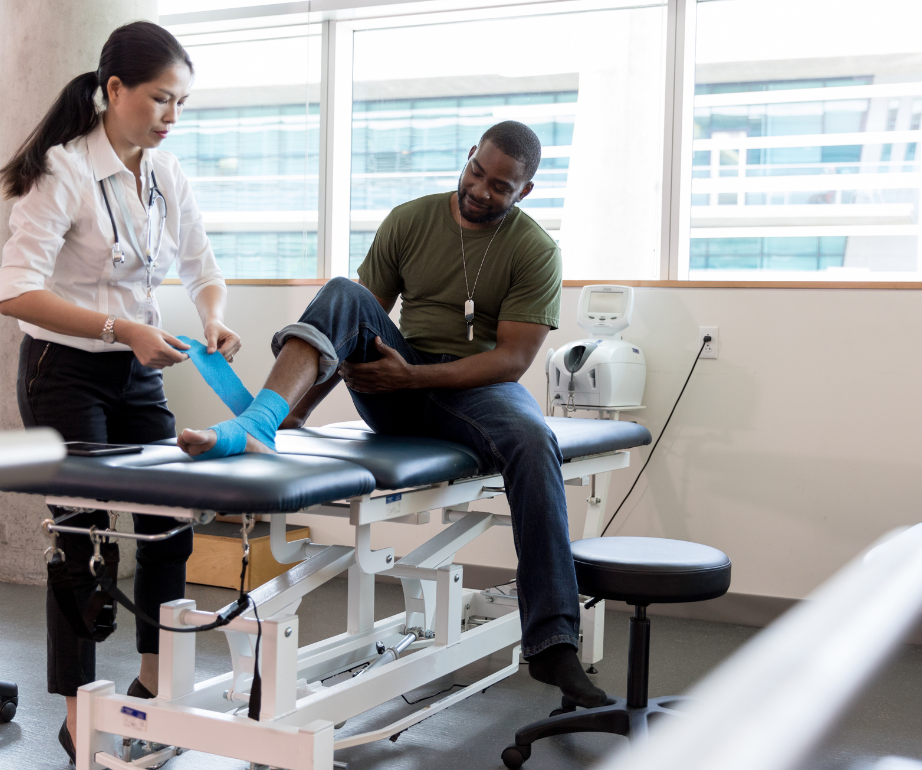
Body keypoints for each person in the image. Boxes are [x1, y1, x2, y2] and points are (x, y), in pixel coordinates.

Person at [177, 120, 609, 709]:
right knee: (344, 290)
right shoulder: (411, 219)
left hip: (476, 388)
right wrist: (299, 414)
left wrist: (415, 377)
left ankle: (554, 641)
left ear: (524, 191)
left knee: (534, 439)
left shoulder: (534, 250)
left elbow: (510, 360)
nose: (480, 190)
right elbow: (347, 324)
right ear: (469, 159)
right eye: (476, 172)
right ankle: (263, 420)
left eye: (500, 186)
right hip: (393, 383)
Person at [0, 21, 240, 763]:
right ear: (113, 91)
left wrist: (213, 318)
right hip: (64, 369)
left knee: (169, 522)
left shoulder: (168, 176)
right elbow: (13, 293)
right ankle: (80, 715)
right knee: (82, 537)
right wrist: (119, 329)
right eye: (160, 99)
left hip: (139, 371)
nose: (171, 117)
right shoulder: (62, 170)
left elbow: (202, 265)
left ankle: (149, 690)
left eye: (182, 104)